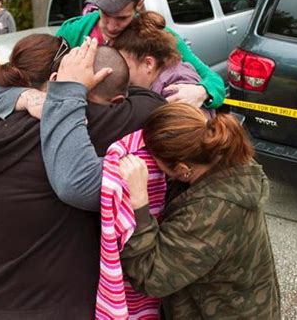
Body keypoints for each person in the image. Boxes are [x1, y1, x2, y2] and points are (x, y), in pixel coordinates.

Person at [0, 35, 148, 318]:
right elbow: (152, 104)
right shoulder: (87, 121)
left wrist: (24, 96)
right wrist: (70, 94)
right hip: (51, 308)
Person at [119, 103, 281, 319]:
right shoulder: (225, 158)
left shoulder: (211, 211)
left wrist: (139, 205)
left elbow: (151, 277)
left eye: (159, 167)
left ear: (183, 169)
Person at [57, 0, 225, 109]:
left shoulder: (159, 37)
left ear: (139, 5)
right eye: (105, 13)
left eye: (122, 18)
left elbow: (213, 80)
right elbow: (40, 77)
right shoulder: (73, 32)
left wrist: (202, 91)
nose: (111, 25)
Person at [113, 10, 214, 118]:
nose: (121, 75)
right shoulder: (162, 76)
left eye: (126, 68)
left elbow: (188, 131)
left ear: (148, 64)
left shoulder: (178, 89)